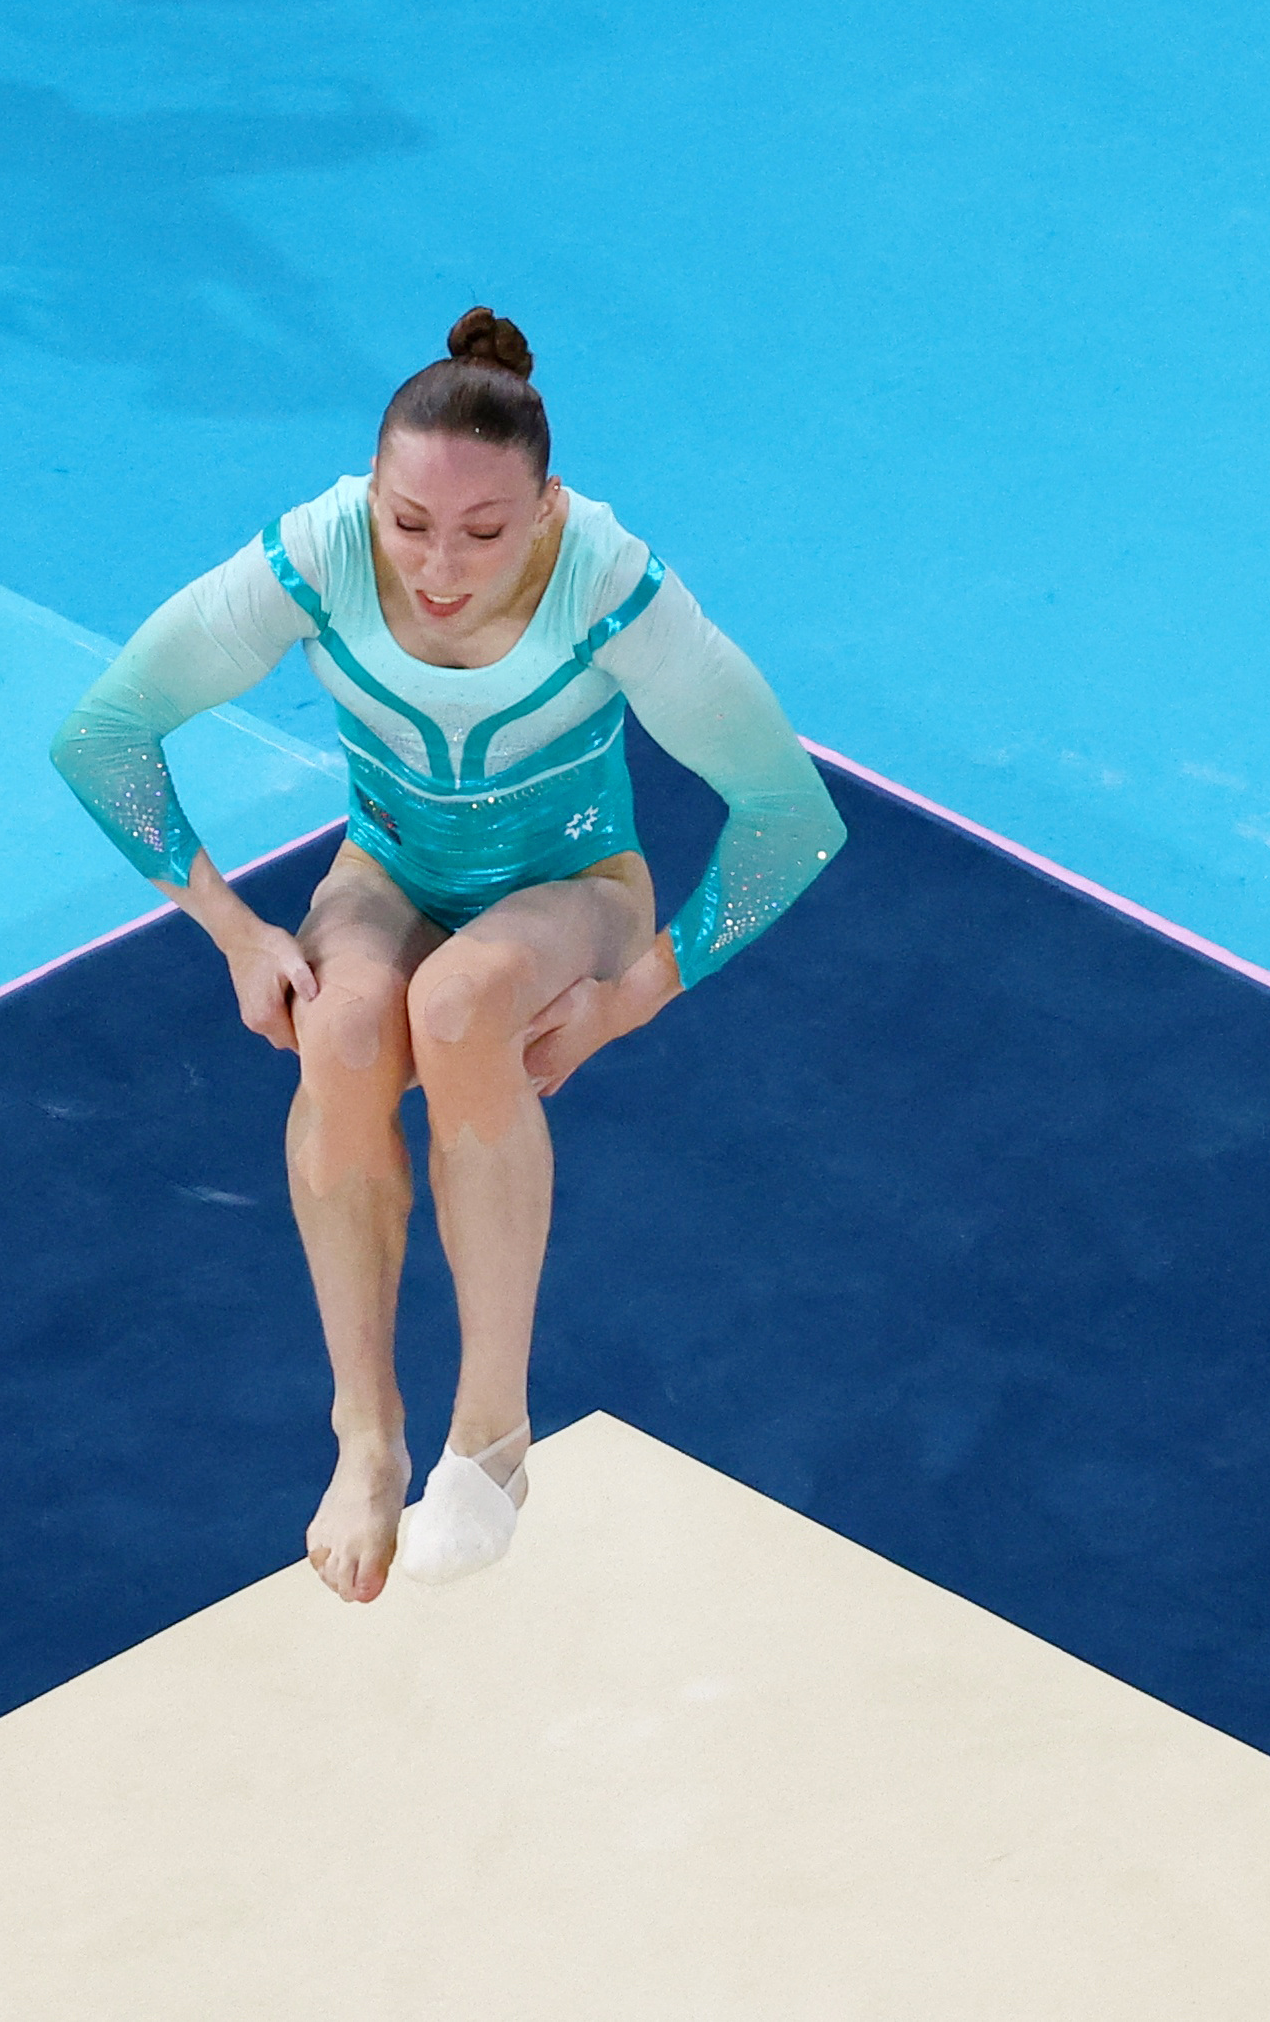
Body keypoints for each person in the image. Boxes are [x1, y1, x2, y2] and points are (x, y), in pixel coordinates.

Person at [52, 308, 845, 1603]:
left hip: (575, 886)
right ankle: (366, 1435)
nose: (436, 566)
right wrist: (237, 930)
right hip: (389, 871)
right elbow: (106, 735)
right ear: (372, 492)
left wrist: (626, 1000)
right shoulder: (317, 555)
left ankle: (491, 1431)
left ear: (546, 512)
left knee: (465, 1002)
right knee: (348, 1029)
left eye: (484, 533)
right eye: (409, 524)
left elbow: (789, 820)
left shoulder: (608, 584)